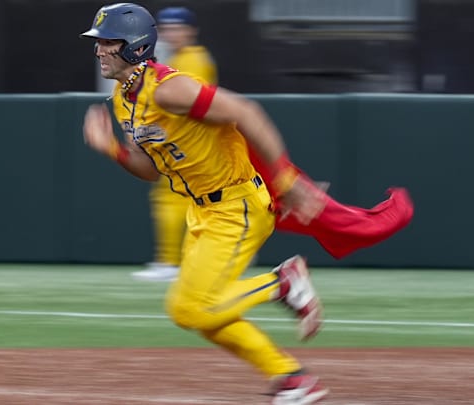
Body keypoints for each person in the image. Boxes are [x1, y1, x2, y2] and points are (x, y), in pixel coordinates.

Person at [80, 4, 413, 404]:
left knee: (192, 310)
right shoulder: (124, 99)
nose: (99, 50)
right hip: (204, 211)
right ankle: (292, 379)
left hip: (236, 205)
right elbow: (152, 170)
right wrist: (113, 150)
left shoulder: (170, 88)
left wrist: (287, 180)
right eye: (97, 43)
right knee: (198, 312)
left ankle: (283, 284)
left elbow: (246, 112)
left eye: (108, 42)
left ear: (134, 46)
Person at [131, 6, 218, 282]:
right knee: (174, 199)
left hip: (193, 140)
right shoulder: (179, 57)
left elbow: (190, 102)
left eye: (177, 28)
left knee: (174, 197)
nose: (171, 33)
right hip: (185, 139)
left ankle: (172, 262)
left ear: (191, 31)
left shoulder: (194, 58)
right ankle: (175, 261)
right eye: (167, 28)